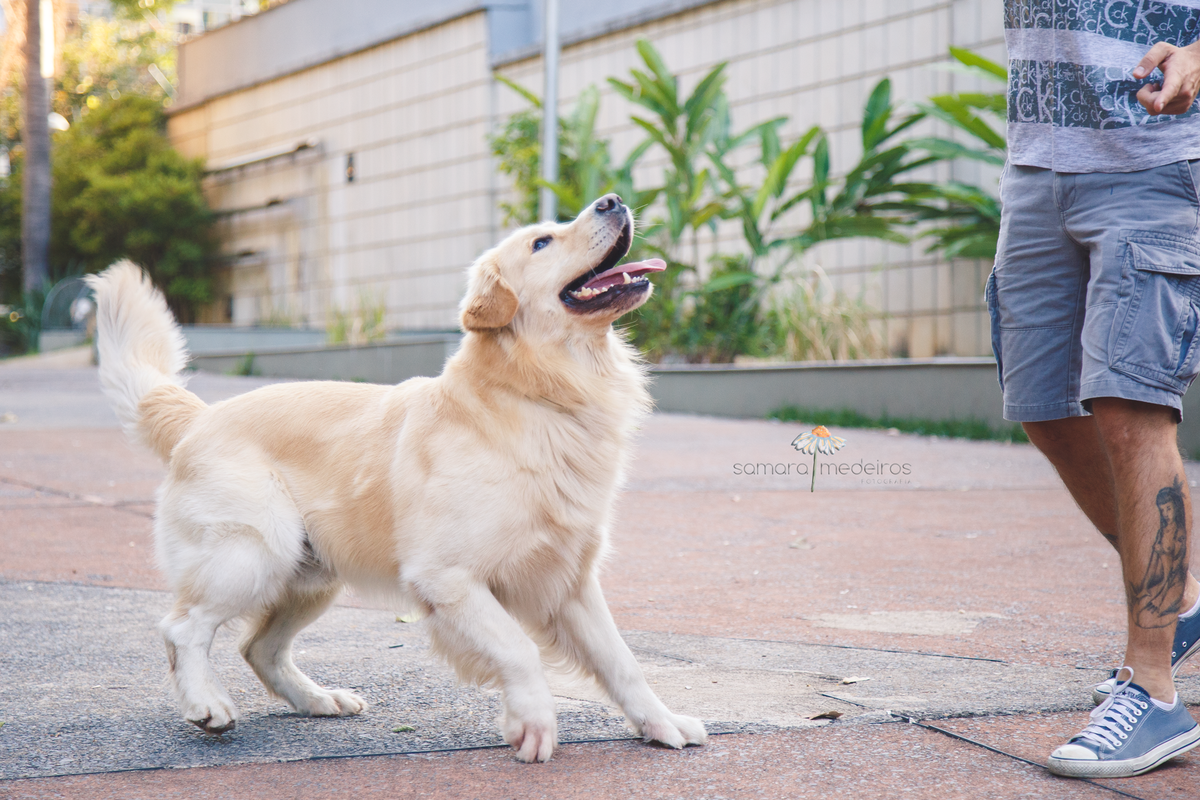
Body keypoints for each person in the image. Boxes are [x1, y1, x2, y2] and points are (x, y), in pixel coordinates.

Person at [994, 1, 1200, 778]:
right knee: (1045, 409)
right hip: (1038, 165)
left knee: (1129, 408)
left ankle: (1152, 692)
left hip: (1154, 157)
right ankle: (1179, 600)